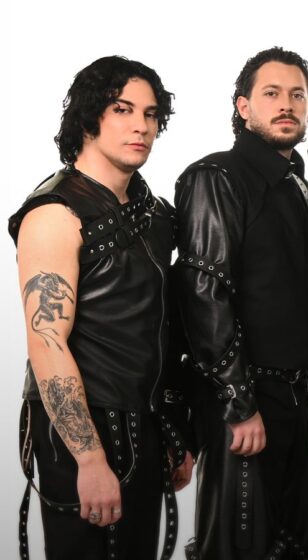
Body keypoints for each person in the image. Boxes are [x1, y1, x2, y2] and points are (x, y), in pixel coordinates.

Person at [9, 55, 194, 560]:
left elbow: (162, 328)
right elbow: (46, 343)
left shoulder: (156, 215)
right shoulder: (54, 213)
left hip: (146, 423)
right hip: (81, 429)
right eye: (123, 109)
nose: (142, 126)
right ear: (90, 118)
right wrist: (89, 458)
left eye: (151, 114)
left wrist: (174, 430)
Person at [174, 47, 308, 559]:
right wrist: (239, 404)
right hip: (242, 401)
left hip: (292, 398)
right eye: (271, 94)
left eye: (297, 95)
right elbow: (205, 295)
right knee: (238, 548)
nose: (287, 105)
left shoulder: (304, 192)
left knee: (297, 546)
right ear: (243, 106)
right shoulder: (216, 177)